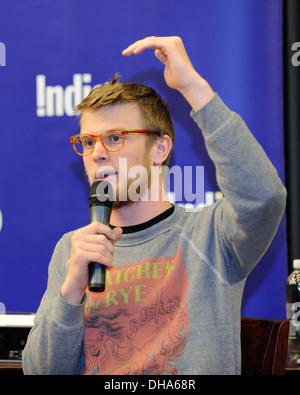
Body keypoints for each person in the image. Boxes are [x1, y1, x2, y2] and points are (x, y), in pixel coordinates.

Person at [22, 36, 286, 375]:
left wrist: (192, 86)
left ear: (160, 149)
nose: (97, 152)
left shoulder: (212, 236)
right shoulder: (73, 251)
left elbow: (265, 196)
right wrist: (71, 292)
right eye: (88, 141)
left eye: (115, 138)